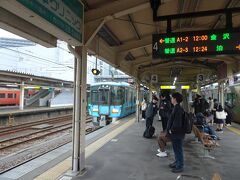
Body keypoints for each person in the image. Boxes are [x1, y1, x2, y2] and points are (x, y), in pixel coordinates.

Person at [167, 92, 185, 173]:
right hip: (177, 134)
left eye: (172, 98)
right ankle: (177, 162)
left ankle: (180, 166)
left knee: (178, 150)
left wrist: (171, 130)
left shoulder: (177, 109)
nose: (171, 99)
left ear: (175, 99)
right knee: (176, 149)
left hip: (177, 134)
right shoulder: (177, 107)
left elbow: (177, 123)